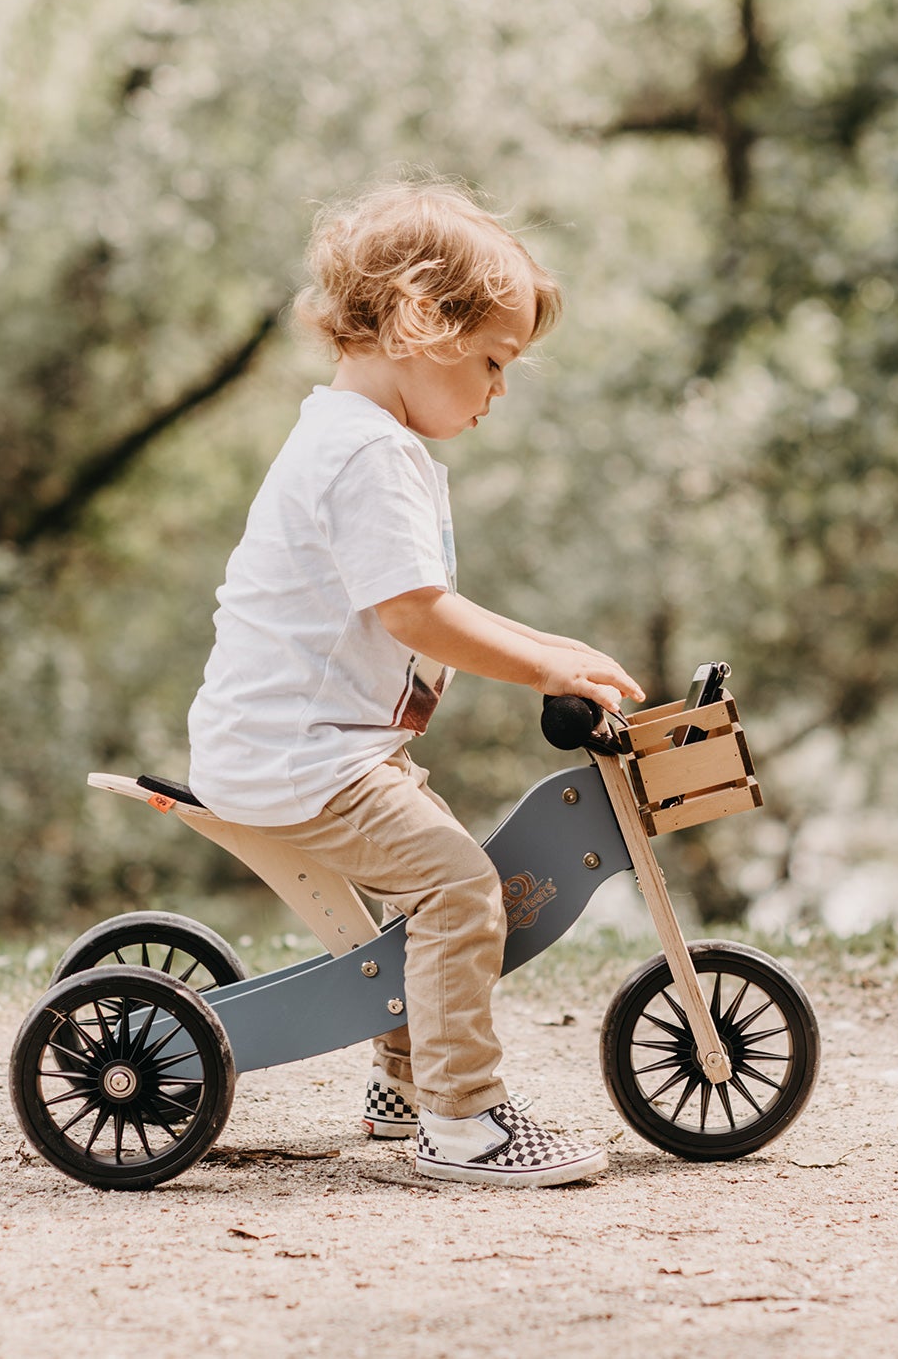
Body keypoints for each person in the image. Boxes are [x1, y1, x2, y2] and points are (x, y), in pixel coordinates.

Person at [185, 179, 644, 1187]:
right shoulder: (368, 455)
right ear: (418, 323)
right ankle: (466, 1122)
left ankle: (404, 1086)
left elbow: (429, 600)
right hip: (302, 758)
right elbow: (417, 617)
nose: (499, 391)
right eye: (493, 361)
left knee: (425, 883)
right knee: (457, 888)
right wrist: (543, 665)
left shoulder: (356, 440)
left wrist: (553, 647)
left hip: (311, 749)